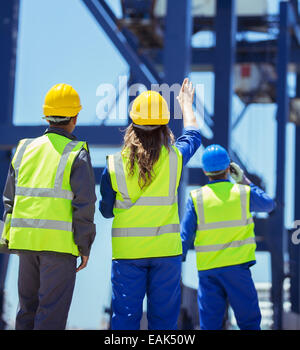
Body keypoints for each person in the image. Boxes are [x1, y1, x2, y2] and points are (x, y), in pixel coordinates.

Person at [99, 78, 202, 330]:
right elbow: (193, 136)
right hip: (166, 254)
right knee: (164, 323)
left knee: (124, 321)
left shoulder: (114, 164)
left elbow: (104, 211)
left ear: (132, 125)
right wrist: (186, 105)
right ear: (164, 126)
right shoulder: (175, 159)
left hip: (127, 255)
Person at [1, 83, 96, 330]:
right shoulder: (77, 153)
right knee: (50, 317)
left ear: (46, 116)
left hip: (25, 244)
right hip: (59, 247)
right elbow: (84, 204)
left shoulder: (23, 149)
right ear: (75, 117)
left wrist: (8, 238)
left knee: (26, 313)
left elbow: (9, 200)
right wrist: (84, 245)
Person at [181, 144, 275, 330]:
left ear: (205, 171)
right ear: (229, 168)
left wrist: (178, 259)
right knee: (249, 323)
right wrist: (244, 180)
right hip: (237, 270)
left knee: (210, 325)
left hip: (209, 271)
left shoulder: (196, 198)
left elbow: (185, 235)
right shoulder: (242, 193)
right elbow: (269, 205)